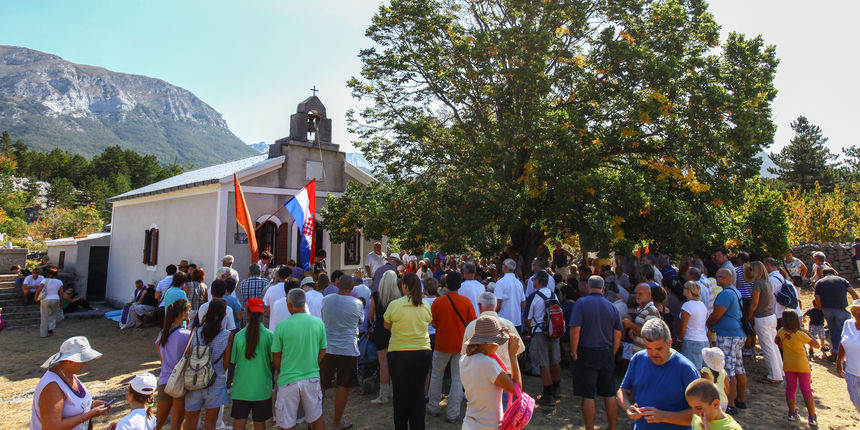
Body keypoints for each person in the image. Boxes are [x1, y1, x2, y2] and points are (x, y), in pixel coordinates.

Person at [617, 318, 699, 430]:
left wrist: (663, 416)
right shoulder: (638, 359)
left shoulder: (686, 369)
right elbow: (623, 391)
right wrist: (628, 407)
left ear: (669, 343)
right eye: (648, 348)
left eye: (659, 348)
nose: (653, 353)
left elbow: (700, 413)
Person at [569, 276, 622, 430]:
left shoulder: (582, 303)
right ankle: (612, 427)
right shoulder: (612, 307)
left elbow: (575, 330)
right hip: (606, 352)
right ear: (603, 288)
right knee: (610, 393)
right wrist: (612, 352)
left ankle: (590, 428)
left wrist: (573, 351)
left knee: (588, 394)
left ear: (587, 287)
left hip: (586, 352)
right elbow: (618, 333)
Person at [272, 289, 327, 430]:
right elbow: (323, 350)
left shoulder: (282, 326)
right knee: (316, 417)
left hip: (288, 378)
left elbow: (276, 355)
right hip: (311, 376)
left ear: (289, 304)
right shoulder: (318, 323)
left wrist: (282, 369)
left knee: (287, 422)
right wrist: (314, 364)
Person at [384, 272, 433, 430]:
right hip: (421, 352)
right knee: (418, 394)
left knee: (400, 394)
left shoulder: (395, 304)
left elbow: (387, 325)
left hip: (399, 353)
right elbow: (428, 322)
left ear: (404, 286)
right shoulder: (425, 305)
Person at [427, 271, 477, 422]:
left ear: (446, 284)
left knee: (436, 375)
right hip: (460, 344)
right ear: (460, 285)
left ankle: (433, 407)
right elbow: (472, 322)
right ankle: (453, 413)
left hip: (442, 343)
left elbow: (433, 322)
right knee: (457, 379)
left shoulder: (438, 302)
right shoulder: (466, 302)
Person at [460, 315, 524, 430]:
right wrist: (513, 356)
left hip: (469, 424)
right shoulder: (489, 364)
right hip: (488, 426)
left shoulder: (463, 360)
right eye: (497, 341)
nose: (499, 344)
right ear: (489, 343)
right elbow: (517, 389)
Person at [31, 336, 108, 430]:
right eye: (82, 359)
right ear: (70, 361)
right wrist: (89, 414)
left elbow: (70, 406)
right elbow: (51, 427)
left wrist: (90, 405)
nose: (86, 362)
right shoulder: (52, 386)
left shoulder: (70, 375)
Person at [320, 274, 365, 430]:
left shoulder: (326, 299)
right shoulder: (357, 303)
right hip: (347, 348)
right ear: (352, 287)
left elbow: (322, 316)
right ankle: (337, 422)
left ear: (338, 284)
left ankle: (315, 420)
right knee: (343, 386)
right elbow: (360, 321)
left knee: (322, 385)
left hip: (328, 347)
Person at [184, 299, 232, 430]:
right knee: (211, 423)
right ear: (223, 315)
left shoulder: (195, 331)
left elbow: (188, 355)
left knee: (191, 422)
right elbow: (226, 362)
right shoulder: (227, 335)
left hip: (194, 379)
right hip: (216, 380)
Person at [706, 269, 747, 414]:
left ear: (728, 278)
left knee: (728, 370)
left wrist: (708, 323)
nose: (717, 278)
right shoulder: (735, 292)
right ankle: (740, 400)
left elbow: (717, 314)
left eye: (720, 277)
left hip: (728, 335)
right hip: (737, 334)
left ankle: (730, 404)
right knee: (738, 367)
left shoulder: (725, 294)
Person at [229, 298, 274, 430]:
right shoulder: (269, 336)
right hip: (262, 388)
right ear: (262, 313)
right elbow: (273, 361)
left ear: (247, 313)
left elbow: (233, 362)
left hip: (241, 387)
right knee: (260, 423)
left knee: (239, 422)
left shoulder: (238, 336)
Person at [775, 310, 818, 426]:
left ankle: (792, 413)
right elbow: (816, 344)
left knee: (791, 389)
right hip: (802, 365)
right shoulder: (800, 334)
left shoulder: (781, 331)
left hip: (788, 364)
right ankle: (812, 416)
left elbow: (776, 342)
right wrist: (806, 332)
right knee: (806, 390)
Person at [526, 270, 561, 405]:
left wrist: (529, 328)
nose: (533, 281)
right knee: (555, 361)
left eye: (534, 279)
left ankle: (548, 394)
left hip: (540, 332)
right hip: (554, 331)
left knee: (543, 363)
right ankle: (557, 388)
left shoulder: (534, 296)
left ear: (539, 281)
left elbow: (528, 319)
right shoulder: (554, 295)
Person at [154, 299, 190, 430]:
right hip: (179, 382)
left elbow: (160, 352)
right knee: (177, 425)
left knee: (157, 424)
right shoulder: (186, 335)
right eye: (188, 312)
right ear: (181, 314)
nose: (189, 315)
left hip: (164, 381)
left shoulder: (163, 332)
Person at [745, 261, 782, 385]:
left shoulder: (758, 283)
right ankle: (779, 371)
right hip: (771, 316)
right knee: (773, 345)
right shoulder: (767, 282)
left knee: (767, 347)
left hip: (762, 318)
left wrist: (749, 315)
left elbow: (755, 303)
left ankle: (774, 375)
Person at [368, 270, 402, 405]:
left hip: (381, 331)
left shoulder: (376, 296)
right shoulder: (399, 297)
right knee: (396, 363)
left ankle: (384, 393)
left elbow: (371, 314)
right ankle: (395, 390)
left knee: (383, 364)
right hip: (395, 331)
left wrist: (373, 321)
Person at [813, 268, 858, 361]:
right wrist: (857, 305)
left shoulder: (819, 282)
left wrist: (821, 308)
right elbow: (852, 293)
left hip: (827, 309)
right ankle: (851, 353)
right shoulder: (842, 280)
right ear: (835, 273)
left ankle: (836, 351)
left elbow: (817, 298)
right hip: (842, 309)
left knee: (833, 331)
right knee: (846, 331)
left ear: (823, 275)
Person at [836, 298, 860, 412]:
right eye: (855, 310)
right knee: (858, 405)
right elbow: (843, 342)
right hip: (851, 374)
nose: (857, 313)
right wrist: (839, 361)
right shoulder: (848, 324)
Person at [679, 281, 709, 369]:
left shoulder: (687, 306)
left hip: (691, 341)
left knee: (691, 370)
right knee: (703, 371)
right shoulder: (702, 305)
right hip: (704, 340)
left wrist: (679, 339)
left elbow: (683, 327)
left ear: (688, 291)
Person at [626, 283, 661, 354]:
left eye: (640, 294)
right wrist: (632, 330)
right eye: (636, 293)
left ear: (649, 294)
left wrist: (631, 325)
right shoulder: (641, 309)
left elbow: (649, 334)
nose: (637, 296)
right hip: (639, 353)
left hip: (646, 355)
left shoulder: (651, 311)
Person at [494, 258, 525, 331]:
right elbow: (523, 303)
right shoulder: (519, 283)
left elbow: (498, 302)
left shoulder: (500, 282)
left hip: (503, 321)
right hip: (517, 320)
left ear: (505, 267)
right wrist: (516, 311)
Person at [34, 268, 63, 338]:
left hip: (45, 299)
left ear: (49, 274)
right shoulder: (59, 282)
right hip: (56, 298)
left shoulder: (44, 280)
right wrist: (61, 302)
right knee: (53, 314)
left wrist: (36, 297)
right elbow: (61, 293)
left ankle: (43, 333)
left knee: (44, 316)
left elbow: (39, 289)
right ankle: (51, 328)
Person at [699, 347, 729, 412]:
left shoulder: (705, 371)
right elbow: (727, 388)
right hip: (724, 400)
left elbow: (706, 387)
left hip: (712, 401)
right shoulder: (723, 372)